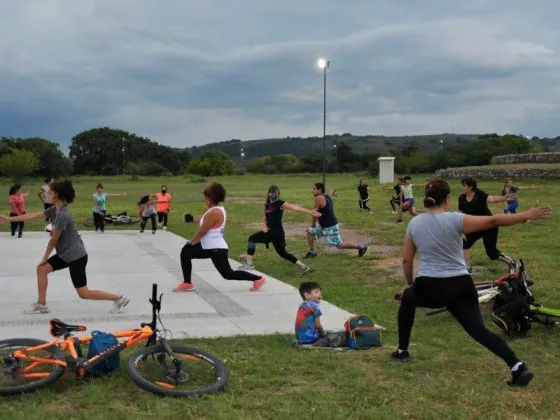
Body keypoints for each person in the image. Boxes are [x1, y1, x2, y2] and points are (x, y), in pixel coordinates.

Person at [394, 178, 552, 387]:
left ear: (427, 199)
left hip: (430, 287)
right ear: (448, 199)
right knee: (480, 332)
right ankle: (517, 367)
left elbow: (406, 260)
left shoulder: (414, 223)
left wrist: (410, 283)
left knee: (408, 299)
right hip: (461, 286)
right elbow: (493, 221)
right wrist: (526, 216)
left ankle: (402, 350)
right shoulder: (457, 219)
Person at [0, 180, 131, 315]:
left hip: (76, 256)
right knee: (42, 270)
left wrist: (44, 258)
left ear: (57, 196)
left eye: (49, 193)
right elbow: (33, 216)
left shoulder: (63, 214)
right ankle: (41, 305)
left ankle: (119, 299)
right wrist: (9, 219)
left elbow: (53, 241)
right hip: (67, 254)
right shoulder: (55, 209)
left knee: (83, 293)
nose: (47, 195)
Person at [174, 182, 266, 293]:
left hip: (216, 249)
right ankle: (187, 283)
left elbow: (202, 231)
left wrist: (190, 242)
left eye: (206, 198)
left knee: (228, 274)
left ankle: (258, 279)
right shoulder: (215, 210)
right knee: (185, 253)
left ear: (211, 198)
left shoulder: (215, 212)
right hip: (207, 246)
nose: (204, 200)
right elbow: (203, 218)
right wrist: (191, 218)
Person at [238, 185, 322, 275]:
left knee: (252, 239)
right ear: (268, 194)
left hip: (276, 232)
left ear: (278, 194)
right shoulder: (267, 205)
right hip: (273, 232)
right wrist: (264, 226)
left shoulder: (280, 203)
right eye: (272, 193)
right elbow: (265, 218)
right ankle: (303, 266)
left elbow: (295, 208)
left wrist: (310, 212)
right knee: (282, 253)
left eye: (276, 193)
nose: (274, 194)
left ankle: (249, 264)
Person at [458, 177, 517, 272]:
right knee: (464, 244)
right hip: (475, 227)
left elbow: (492, 199)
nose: (462, 188)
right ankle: (467, 269)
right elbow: (461, 213)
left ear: (470, 187)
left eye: (464, 186)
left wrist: (504, 198)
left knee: (492, 254)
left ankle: (511, 262)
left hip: (489, 227)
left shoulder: (480, 195)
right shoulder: (462, 198)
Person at [304, 183, 368, 259]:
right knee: (309, 231)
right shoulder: (326, 196)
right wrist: (332, 192)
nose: (312, 191)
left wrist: (313, 224)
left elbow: (314, 213)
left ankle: (361, 247)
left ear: (320, 190)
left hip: (330, 226)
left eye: (314, 189)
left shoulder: (319, 198)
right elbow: (330, 195)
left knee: (339, 245)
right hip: (323, 225)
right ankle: (312, 252)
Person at [295, 281, 348, 347]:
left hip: (301, 338)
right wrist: (324, 334)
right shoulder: (314, 306)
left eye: (320, 292)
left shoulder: (302, 305)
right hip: (310, 338)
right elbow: (318, 325)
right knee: (338, 336)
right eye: (316, 292)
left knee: (331, 333)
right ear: (307, 295)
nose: (320, 294)